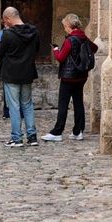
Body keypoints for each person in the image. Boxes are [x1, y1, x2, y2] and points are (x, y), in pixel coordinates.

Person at [42, 14, 97, 142]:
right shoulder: (83, 37)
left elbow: (60, 58)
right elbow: (94, 48)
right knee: (78, 103)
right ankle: (78, 131)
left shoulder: (70, 40)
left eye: (65, 26)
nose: (65, 29)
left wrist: (55, 49)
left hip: (69, 77)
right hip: (81, 76)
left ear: (68, 26)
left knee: (63, 105)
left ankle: (57, 132)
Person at [0, 7, 40, 147]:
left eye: (5, 20)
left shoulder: (8, 34)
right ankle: (32, 137)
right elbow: (36, 50)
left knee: (14, 106)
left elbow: (0, 52)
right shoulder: (34, 32)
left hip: (11, 73)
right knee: (27, 104)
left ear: (7, 18)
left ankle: (16, 138)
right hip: (27, 72)